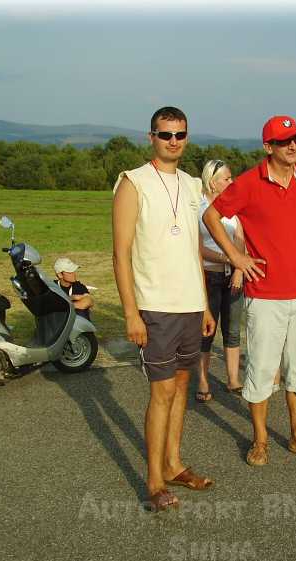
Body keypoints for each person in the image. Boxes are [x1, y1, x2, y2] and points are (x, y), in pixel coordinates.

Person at [203, 114, 296, 467]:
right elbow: (211, 217)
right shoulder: (249, 182)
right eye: (284, 141)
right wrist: (236, 257)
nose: (292, 146)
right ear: (268, 146)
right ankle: (260, 440)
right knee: (261, 371)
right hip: (264, 297)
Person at [112, 106, 216, 512]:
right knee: (162, 392)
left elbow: (194, 250)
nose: (173, 141)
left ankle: (174, 464)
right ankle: (154, 481)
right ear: (151, 137)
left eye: (180, 134)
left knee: (182, 387)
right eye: (165, 134)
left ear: (187, 137)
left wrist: (205, 306)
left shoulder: (192, 185)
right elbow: (121, 254)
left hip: (190, 305)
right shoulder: (132, 183)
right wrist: (130, 313)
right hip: (155, 306)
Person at [197, 159, 244, 402]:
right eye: (226, 178)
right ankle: (203, 381)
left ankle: (233, 379)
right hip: (209, 276)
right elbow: (197, 247)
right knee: (207, 331)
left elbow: (240, 238)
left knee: (232, 330)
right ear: (212, 182)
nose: (231, 181)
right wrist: (228, 258)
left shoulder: (233, 206)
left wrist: (239, 269)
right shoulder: (198, 208)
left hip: (233, 275)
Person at [54, 257, 93, 321]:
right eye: (70, 272)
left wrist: (63, 305)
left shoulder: (78, 286)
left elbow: (89, 302)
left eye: (74, 271)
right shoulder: (52, 287)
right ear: (60, 275)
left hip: (75, 322)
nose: (74, 274)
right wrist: (72, 298)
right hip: (57, 321)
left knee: (82, 312)